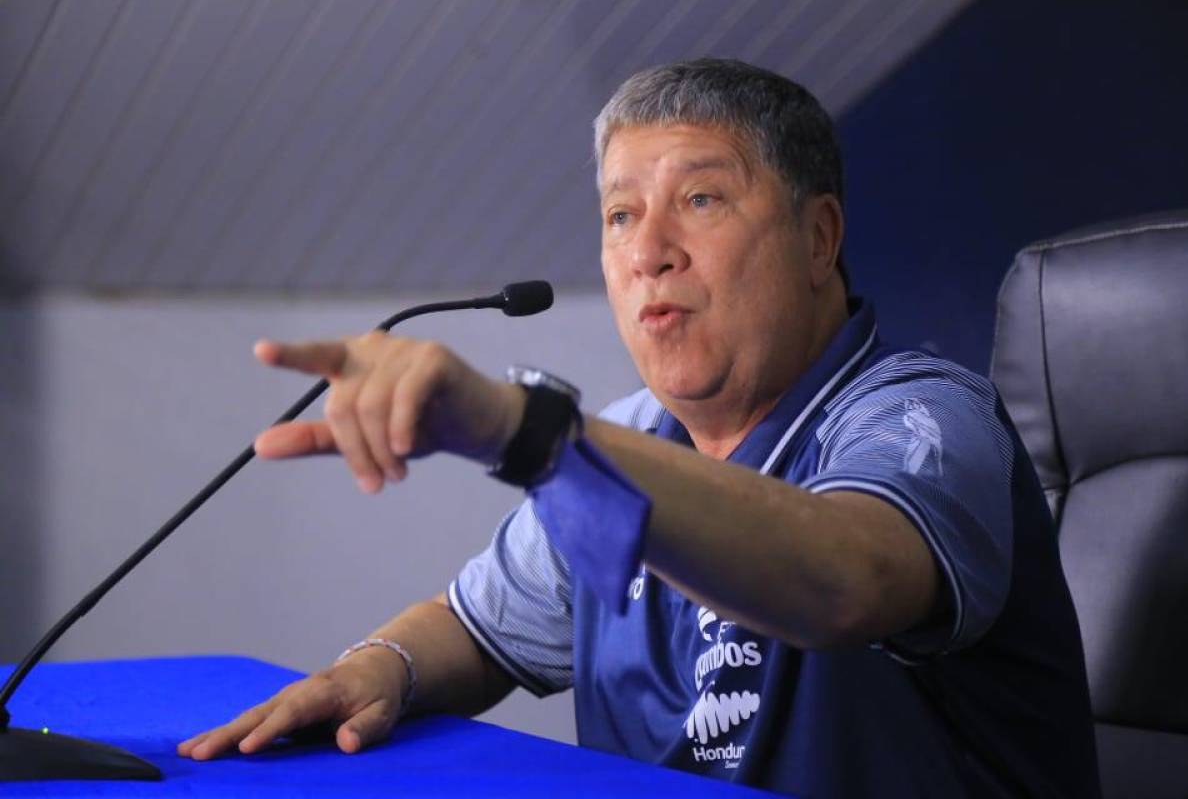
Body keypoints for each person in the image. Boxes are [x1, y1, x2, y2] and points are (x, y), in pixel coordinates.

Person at [178, 59, 1100, 797]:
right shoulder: (623, 435)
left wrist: (529, 431)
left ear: (820, 239)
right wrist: (378, 670)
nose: (649, 250)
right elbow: (476, 628)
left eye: (700, 200)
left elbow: (843, 582)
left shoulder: (925, 417)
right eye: (620, 214)